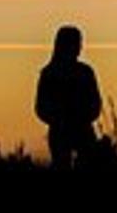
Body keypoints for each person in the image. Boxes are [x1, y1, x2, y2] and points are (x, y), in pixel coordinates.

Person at [36, 24, 103, 170]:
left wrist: (82, 119)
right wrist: (60, 120)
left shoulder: (85, 72)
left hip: (82, 131)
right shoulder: (50, 73)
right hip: (62, 132)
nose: (80, 47)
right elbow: (41, 107)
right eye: (77, 43)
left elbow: (96, 104)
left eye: (80, 43)